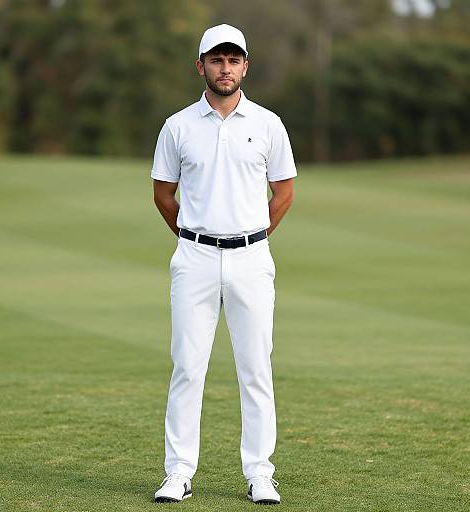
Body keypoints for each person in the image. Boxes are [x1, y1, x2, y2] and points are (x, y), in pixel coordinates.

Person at [151, 23, 296, 505]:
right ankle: (178, 472)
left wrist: (252, 235)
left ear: (245, 66)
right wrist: (197, 237)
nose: (225, 68)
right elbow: (163, 193)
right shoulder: (178, 126)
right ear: (201, 66)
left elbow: (284, 191)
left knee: (256, 370)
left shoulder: (268, 124)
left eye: (234, 60)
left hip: (252, 259)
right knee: (187, 368)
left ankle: (259, 473)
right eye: (217, 60)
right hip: (193, 258)